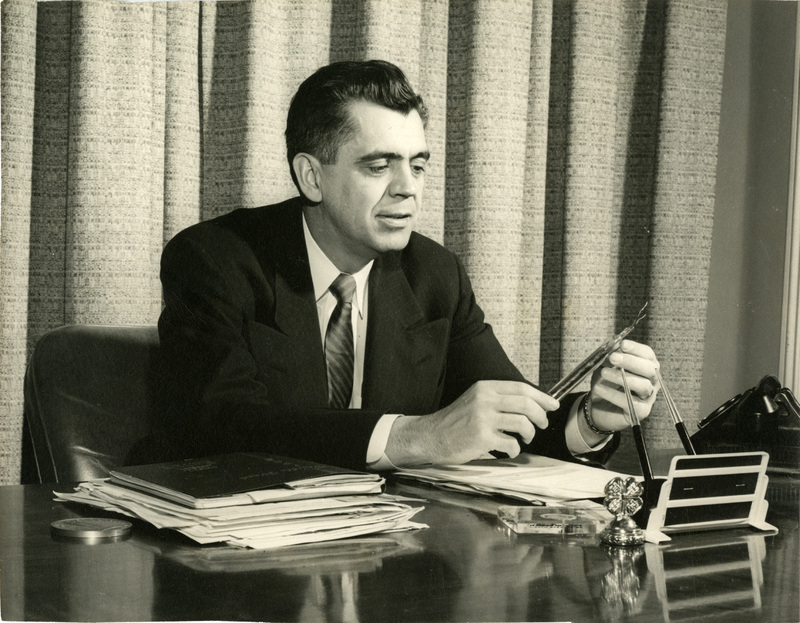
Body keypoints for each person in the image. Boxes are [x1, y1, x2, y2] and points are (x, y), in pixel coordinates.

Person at [145, 60, 660, 472]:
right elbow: (228, 429)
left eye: (417, 165)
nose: (408, 188)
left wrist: (592, 420)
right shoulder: (215, 260)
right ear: (311, 177)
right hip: (234, 559)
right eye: (378, 165)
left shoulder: (435, 274)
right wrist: (422, 435)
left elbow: (513, 415)